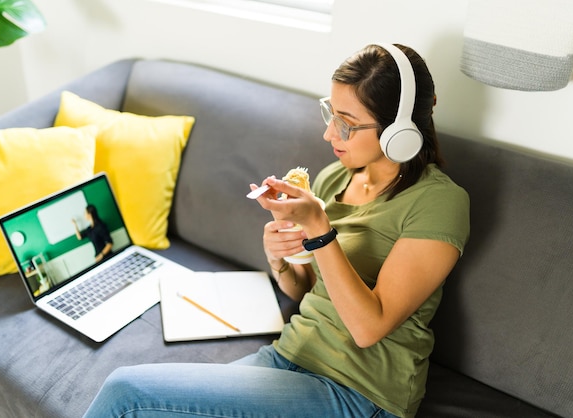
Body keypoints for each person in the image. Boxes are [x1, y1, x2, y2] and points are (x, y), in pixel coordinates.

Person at [82, 43, 470, 418]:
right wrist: (280, 259)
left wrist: (320, 229)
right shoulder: (336, 176)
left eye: (346, 125)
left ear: (397, 133)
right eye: (330, 115)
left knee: (126, 394)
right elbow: (304, 290)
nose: (329, 135)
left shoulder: (439, 202)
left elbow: (369, 328)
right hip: (287, 358)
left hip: (358, 391)